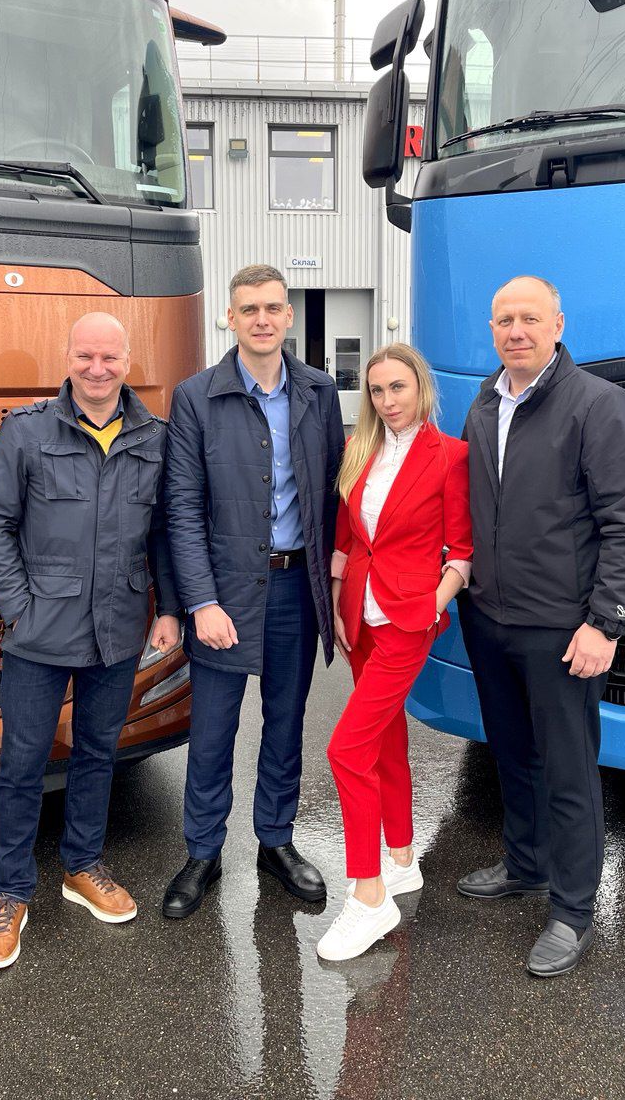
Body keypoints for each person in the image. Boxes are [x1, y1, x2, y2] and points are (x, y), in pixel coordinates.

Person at [456, 276, 625, 978]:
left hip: (562, 628)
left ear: (558, 325)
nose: (517, 331)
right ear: (492, 330)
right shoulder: (485, 403)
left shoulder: (598, 404)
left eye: (530, 318)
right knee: (512, 754)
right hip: (490, 618)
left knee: (569, 771)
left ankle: (573, 911)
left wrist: (606, 622)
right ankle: (526, 863)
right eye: (504, 320)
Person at [0, 313, 182, 969]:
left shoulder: (154, 437)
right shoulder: (28, 432)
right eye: (86, 355)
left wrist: (170, 609)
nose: (97, 368)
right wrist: (18, 608)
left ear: (127, 361)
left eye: (109, 357)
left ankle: (82, 866)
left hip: (118, 626)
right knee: (22, 762)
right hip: (40, 631)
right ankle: (11, 892)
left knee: (98, 751)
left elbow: (164, 531)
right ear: (67, 358)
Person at [162, 264, 346, 917]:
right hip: (225, 591)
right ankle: (202, 852)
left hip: (296, 587)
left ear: (289, 316)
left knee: (286, 723)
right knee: (212, 731)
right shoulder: (196, 398)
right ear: (231, 319)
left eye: (272, 308)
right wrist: (201, 602)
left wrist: (338, 584)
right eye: (249, 309)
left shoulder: (320, 392)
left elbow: (335, 491)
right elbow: (182, 508)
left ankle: (276, 839)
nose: (262, 319)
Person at [316, 344, 471, 962]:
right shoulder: (360, 448)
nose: (386, 401)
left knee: (346, 749)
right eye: (376, 390)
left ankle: (369, 894)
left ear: (421, 387)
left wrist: (433, 604)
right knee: (383, 738)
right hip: (361, 612)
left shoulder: (451, 456)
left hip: (409, 618)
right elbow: (347, 537)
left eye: (397, 387)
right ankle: (402, 858)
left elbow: (462, 550)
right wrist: (337, 600)